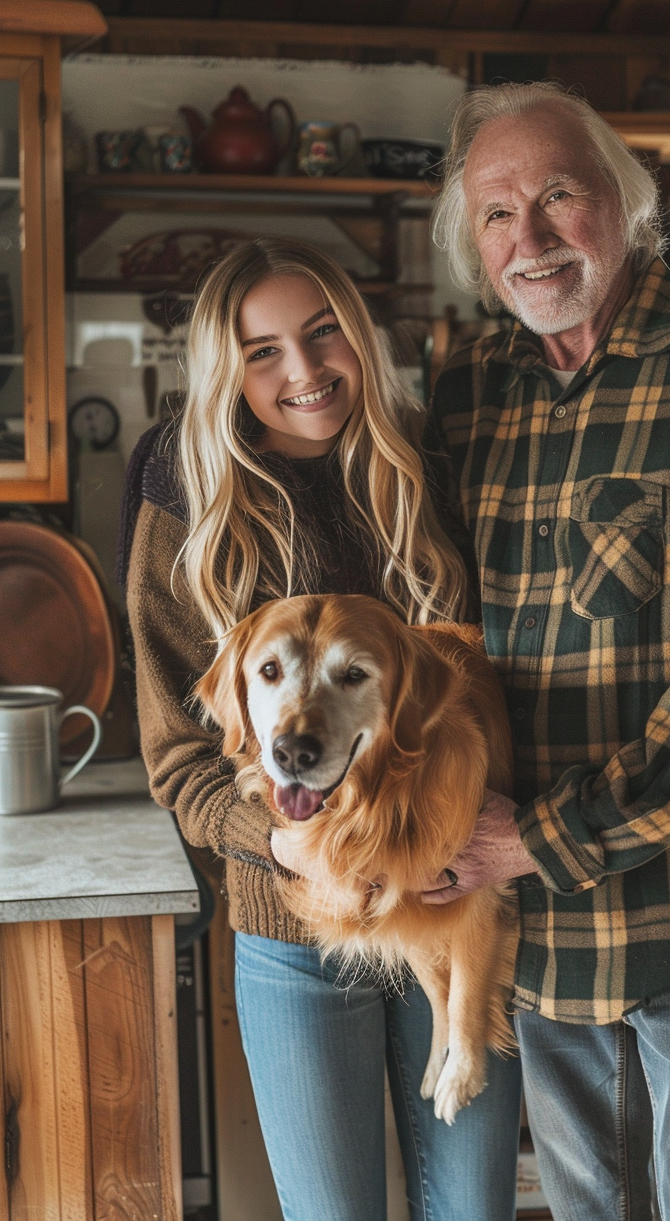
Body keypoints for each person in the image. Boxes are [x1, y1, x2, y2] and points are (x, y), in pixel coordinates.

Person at [422, 83, 670, 1221]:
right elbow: (427, 634)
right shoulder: (464, 397)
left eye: (558, 195)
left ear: (626, 203)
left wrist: (530, 838)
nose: (532, 238)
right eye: (497, 215)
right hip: (542, 945)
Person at [118, 237, 522, 1221]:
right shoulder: (185, 507)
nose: (302, 371)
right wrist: (286, 843)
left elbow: (497, 680)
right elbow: (180, 759)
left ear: (360, 331)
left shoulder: (437, 466)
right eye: (262, 351)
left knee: (472, 1207)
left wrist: (490, 827)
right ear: (227, 367)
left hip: (452, 908)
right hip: (293, 924)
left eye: (321, 331)